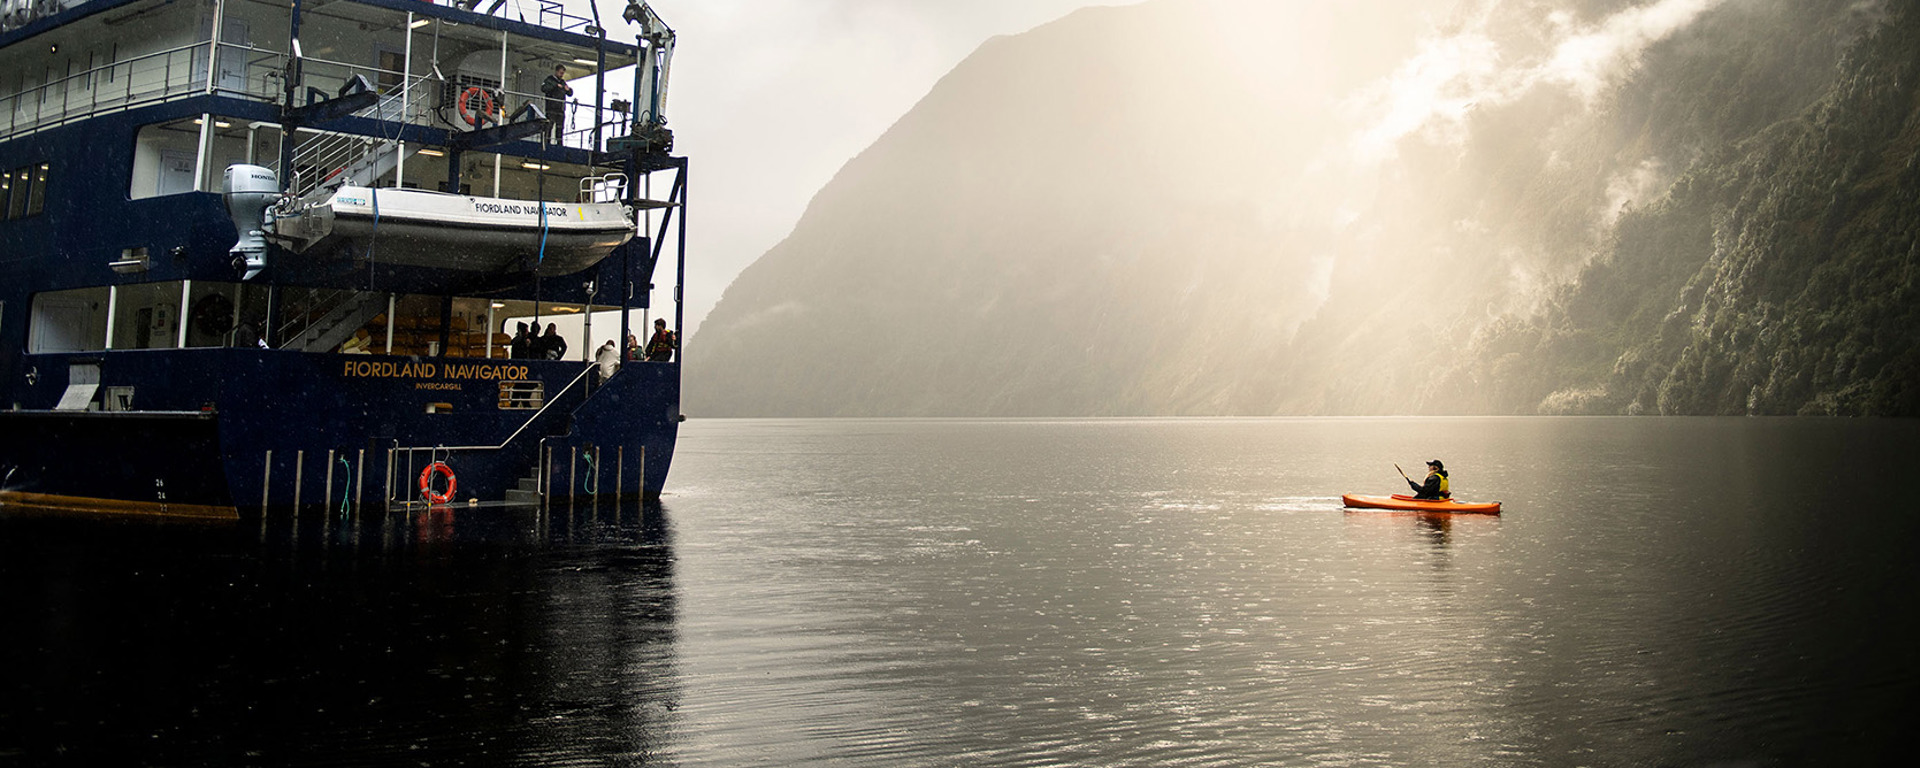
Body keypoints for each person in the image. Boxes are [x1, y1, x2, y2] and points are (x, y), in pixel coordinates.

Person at [541, 64, 573, 142]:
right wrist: (555, 86)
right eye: (560, 73)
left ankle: (559, 143)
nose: (561, 75)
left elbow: (570, 93)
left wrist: (568, 90)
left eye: (563, 73)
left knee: (560, 128)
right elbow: (544, 88)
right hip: (551, 107)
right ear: (556, 71)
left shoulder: (563, 82)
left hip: (560, 108)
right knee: (549, 126)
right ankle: (546, 142)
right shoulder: (549, 80)